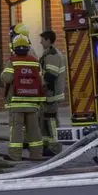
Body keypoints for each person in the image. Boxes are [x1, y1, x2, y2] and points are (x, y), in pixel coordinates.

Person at [0, 33, 46, 160]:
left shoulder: (12, 62)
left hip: (17, 102)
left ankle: (15, 155)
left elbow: (6, 78)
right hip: (32, 102)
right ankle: (36, 154)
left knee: (17, 130)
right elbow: (41, 82)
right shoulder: (35, 62)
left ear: (14, 48)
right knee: (34, 129)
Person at [38, 28, 66, 156]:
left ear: (48, 40)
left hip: (51, 94)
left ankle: (55, 146)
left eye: (42, 40)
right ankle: (47, 145)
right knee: (45, 121)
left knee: (51, 121)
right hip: (49, 95)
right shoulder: (49, 53)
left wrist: (40, 85)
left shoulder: (53, 55)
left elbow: (50, 76)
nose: (40, 42)